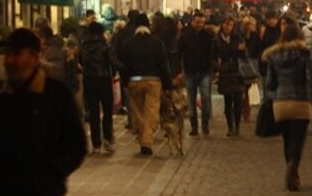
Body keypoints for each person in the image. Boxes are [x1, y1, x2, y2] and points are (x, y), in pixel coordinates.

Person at [0, 28, 86, 196]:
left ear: (34, 58)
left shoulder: (55, 95)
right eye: (8, 54)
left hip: (43, 193)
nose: (10, 60)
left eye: (17, 54)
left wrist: (52, 174)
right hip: (3, 192)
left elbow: (75, 143)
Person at [262, 16, 312, 191]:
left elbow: (269, 83)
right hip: (301, 101)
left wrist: (273, 96)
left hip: (281, 103)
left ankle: (292, 171)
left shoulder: (274, 55)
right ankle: (293, 168)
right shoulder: (304, 54)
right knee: (297, 140)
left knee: (287, 139)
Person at [118, 13, 173, 155]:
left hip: (134, 81)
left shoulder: (128, 43)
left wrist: (125, 82)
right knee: (151, 111)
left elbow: (123, 65)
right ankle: (147, 141)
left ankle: (142, 138)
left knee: (138, 112)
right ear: (148, 26)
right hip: (153, 81)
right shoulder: (157, 43)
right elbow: (163, 65)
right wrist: (168, 85)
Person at [80, 21, 115, 154]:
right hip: (104, 80)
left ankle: (96, 145)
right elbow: (112, 62)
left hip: (88, 80)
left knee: (93, 113)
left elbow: (80, 62)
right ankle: (107, 138)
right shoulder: (105, 46)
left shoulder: (83, 46)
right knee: (107, 111)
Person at [177, 13, 215, 136]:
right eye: (197, 22)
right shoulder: (185, 36)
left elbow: (212, 54)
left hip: (205, 72)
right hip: (190, 72)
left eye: (202, 23)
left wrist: (213, 70)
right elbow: (179, 54)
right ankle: (194, 126)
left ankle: (205, 124)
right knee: (191, 100)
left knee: (206, 98)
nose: (199, 25)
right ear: (193, 21)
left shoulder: (208, 36)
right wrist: (179, 71)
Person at [214, 15, 247, 136]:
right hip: (225, 72)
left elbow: (243, 54)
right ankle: (230, 127)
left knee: (238, 101)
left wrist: (241, 50)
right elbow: (213, 56)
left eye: (230, 25)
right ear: (222, 25)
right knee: (228, 101)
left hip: (237, 71)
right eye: (226, 24)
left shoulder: (238, 38)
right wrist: (218, 68)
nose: (227, 27)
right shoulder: (216, 40)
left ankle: (237, 126)